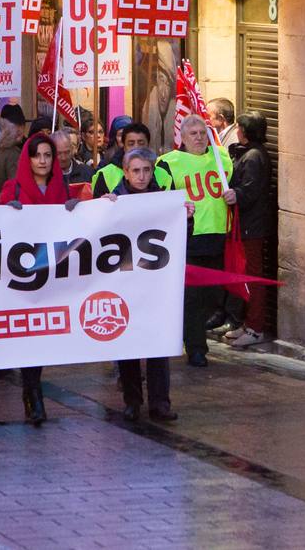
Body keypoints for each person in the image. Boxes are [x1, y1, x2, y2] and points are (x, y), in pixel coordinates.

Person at [0, 132, 81, 426]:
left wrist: (77, 209)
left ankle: (33, 392)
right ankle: (33, 396)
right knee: (29, 337)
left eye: (48, 155)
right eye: (37, 155)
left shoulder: (64, 187)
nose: (43, 161)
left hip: (53, 277)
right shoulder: (13, 189)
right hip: (23, 276)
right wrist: (6, 211)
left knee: (42, 338)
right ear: (28, 159)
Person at [104, 146, 181, 423]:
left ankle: (160, 402)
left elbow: (180, 236)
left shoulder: (163, 199)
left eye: (146, 170)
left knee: (158, 344)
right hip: (124, 282)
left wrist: (187, 216)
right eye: (135, 171)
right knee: (128, 344)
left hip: (156, 284)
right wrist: (102, 209)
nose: (141, 176)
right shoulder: (114, 201)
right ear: (125, 172)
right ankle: (132, 401)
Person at [156, 115, 235, 367]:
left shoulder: (221, 158)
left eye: (203, 132)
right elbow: (159, 198)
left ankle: (188, 333)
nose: (199, 137)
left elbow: (236, 186)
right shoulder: (169, 163)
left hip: (219, 235)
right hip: (188, 237)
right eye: (193, 134)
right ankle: (196, 348)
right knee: (193, 297)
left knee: (214, 296)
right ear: (182, 137)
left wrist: (237, 194)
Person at [223, 112, 275, 349]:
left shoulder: (254, 157)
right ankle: (247, 322)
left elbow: (250, 191)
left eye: (241, 128)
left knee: (253, 276)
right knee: (244, 274)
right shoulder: (249, 153)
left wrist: (237, 195)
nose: (238, 132)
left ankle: (256, 328)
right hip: (245, 225)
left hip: (251, 227)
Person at [91, 123, 154, 198]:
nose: (136, 148)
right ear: (123, 146)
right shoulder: (105, 174)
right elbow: (99, 207)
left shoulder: (164, 173)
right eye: (131, 144)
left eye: (141, 143)